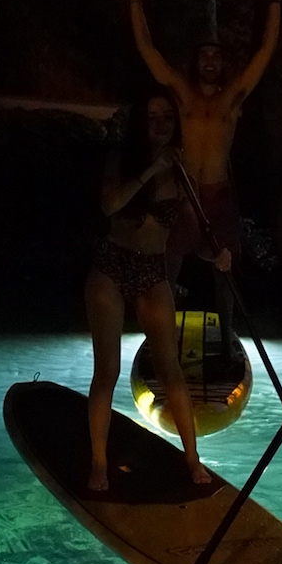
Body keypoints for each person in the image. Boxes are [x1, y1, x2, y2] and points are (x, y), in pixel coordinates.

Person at [85, 91, 230, 493]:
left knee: (171, 370)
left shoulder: (183, 174)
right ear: (140, 124)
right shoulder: (122, 161)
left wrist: (215, 254)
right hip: (112, 267)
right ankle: (99, 463)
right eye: (152, 118)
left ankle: (193, 461)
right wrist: (151, 169)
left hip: (152, 272)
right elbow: (110, 205)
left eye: (167, 117)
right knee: (108, 370)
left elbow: (195, 233)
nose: (161, 125)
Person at [126, 0, 281, 343]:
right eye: (204, 55)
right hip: (184, 191)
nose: (209, 61)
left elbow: (264, 52)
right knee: (170, 263)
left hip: (218, 191)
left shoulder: (232, 98)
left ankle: (227, 337)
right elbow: (148, 50)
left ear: (222, 63)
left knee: (223, 267)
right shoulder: (182, 93)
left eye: (216, 56)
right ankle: (157, 333)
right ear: (196, 61)